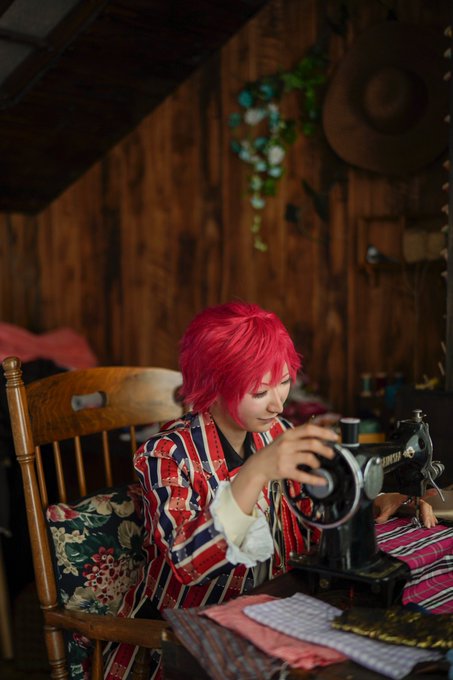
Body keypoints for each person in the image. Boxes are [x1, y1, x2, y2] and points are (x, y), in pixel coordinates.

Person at [104, 301, 437, 680]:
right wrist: (257, 471)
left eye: (284, 382)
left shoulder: (276, 433)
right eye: (261, 390)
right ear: (214, 384)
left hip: (269, 612)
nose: (279, 404)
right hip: (182, 639)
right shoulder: (166, 454)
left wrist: (372, 501)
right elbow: (187, 565)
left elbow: (310, 510)